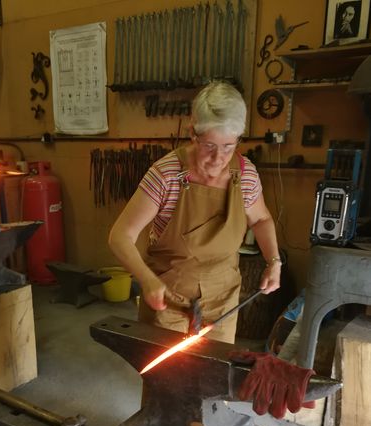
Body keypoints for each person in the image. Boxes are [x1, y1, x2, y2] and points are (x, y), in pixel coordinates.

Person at [108, 81, 281, 343]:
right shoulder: (166, 174)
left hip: (223, 300)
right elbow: (120, 236)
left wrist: (274, 261)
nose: (218, 158)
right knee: (166, 377)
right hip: (169, 297)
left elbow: (262, 218)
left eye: (228, 146)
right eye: (209, 146)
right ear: (193, 133)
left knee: (213, 375)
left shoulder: (245, 175)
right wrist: (146, 279)